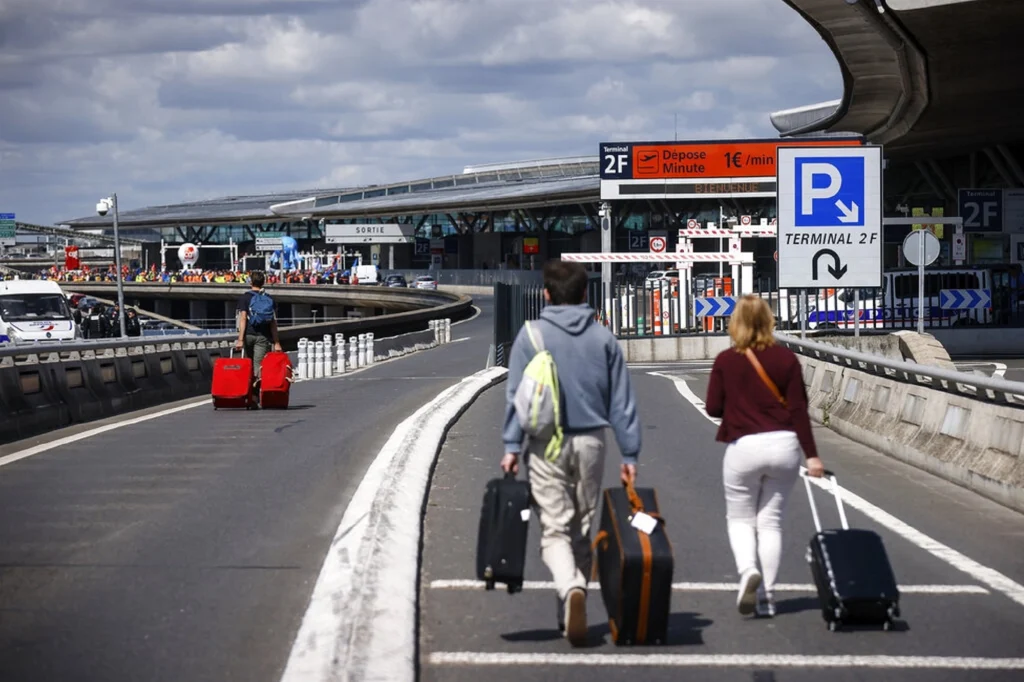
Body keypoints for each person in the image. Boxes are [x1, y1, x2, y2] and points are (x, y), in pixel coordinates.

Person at [501, 259, 641, 647]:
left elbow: (518, 398)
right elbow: (622, 402)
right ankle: (570, 609)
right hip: (593, 442)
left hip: (547, 445)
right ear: (584, 294)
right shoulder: (604, 338)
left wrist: (512, 446)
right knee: (582, 527)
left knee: (554, 530)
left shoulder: (531, 336)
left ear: (546, 294)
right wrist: (629, 454)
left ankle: (571, 587)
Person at [705, 295, 824, 619]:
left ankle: (747, 572)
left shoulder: (727, 360)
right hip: (784, 447)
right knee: (770, 522)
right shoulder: (786, 360)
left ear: (736, 323)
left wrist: (739, 405)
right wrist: (812, 456)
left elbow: (713, 407)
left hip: (744, 448)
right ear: (769, 320)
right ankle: (769, 595)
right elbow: (799, 410)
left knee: (740, 519)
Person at [235, 271, 282, 384]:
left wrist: (240, 340)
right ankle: (257, 392)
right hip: (263, 337)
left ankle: (249, 392)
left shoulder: (245, 298)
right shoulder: (269, 299)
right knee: (258, 366)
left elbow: (243, 319)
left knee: (248, 364)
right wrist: (276, 342)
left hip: (248, 335)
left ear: (250, 282)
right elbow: (273, 322)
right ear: (263, 282)